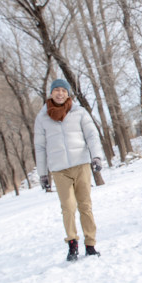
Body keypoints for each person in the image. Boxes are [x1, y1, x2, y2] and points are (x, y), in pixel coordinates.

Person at [34, 78, 105, 261]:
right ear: (51, 93)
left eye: (63, 90)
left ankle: (90, 244)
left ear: (68, 93)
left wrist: (96, 156)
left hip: (80, 165)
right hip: (59, 170)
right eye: (56, 90)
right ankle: (72, 244)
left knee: (85, 206)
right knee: (68, 207)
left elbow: (92, 135)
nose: (60, 93)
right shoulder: (42, 118)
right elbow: (40, 148)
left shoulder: (79, 112)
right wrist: (43, 174)